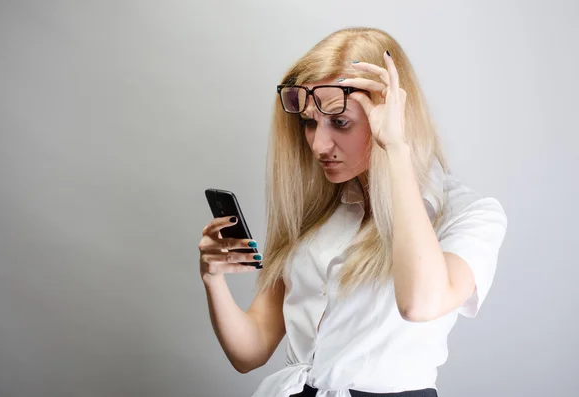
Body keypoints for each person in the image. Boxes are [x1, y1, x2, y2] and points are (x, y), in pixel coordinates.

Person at [199, 27, 507, 397]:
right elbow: (250, 352)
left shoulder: (470, 215)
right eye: (310, 123)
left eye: (340, 123)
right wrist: (213, 280)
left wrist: (395, 147)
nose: (319, 144)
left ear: (392, 113)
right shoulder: (315, 211)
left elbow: (421, 302)